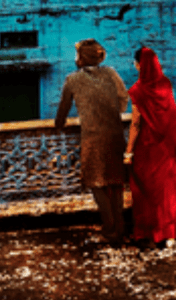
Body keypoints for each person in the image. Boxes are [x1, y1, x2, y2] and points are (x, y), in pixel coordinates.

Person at [55, 38, 129, 242]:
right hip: (115, 135)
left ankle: (110, 226)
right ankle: (119, 225)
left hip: (93, 138)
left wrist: (59, 125)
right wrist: (114, 112)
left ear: (82, 58)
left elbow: (63, 107)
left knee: (95, 182)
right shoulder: (111, 73)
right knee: (115, 182)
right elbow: (123, 98)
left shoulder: (72, 80)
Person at [124, 47, 176, 248]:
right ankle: (171, 234)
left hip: (147, 147)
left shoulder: (137, 91)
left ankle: (154, 234)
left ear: (139, 65)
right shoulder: (165, 85)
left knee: (148, 191)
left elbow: (136, 124)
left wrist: (129, 150)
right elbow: (172, 116)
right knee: (168, 189)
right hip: (166, 146)